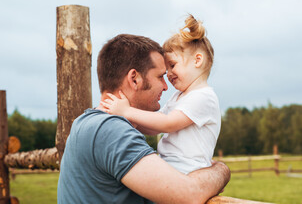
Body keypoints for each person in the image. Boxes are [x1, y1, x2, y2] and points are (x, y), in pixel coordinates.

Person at [57, 33, 230, 204]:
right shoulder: (110, 131)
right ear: (134, 79)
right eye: (160, 76)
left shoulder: (85, 122)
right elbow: (189, 195)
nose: (165, 85)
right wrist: (221, 170)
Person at [102, 15, 220, 175]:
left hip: (189, 170)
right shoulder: (179, 97)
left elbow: (167, 123)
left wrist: (127, 111)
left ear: (197, 60)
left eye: (172, 65)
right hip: (172, 167)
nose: (169, 74)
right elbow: (155, 127)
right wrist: (123, 117)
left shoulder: (204, 97)